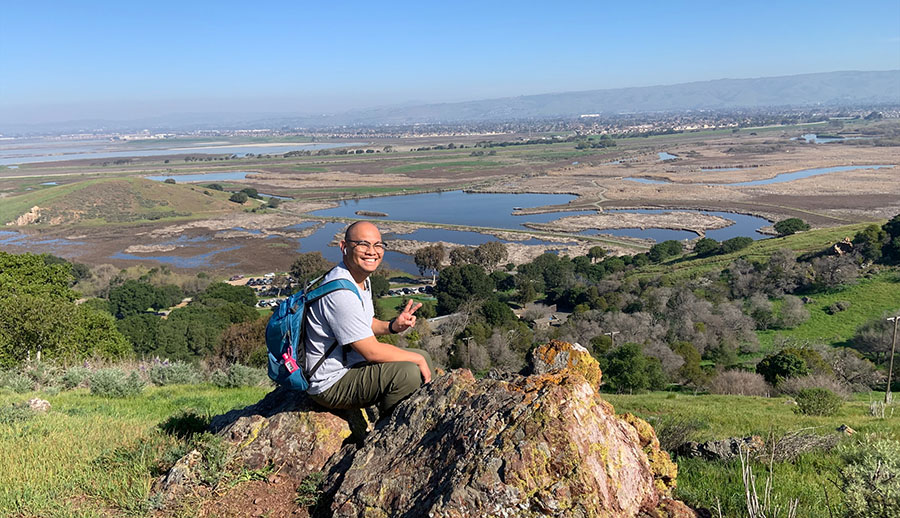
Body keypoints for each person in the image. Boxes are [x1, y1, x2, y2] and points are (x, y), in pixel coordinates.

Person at [304, 221, 434, 416]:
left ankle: (423, 413)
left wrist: (392, 326)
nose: (372, 251)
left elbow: (364, 324)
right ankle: (389, 430)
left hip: (350, 365)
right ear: (344, 247)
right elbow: (371, 352)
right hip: (330, 382)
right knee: (409, 372)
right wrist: (416, 360)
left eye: (378, 245)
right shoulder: (341, 293)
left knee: (422, 356)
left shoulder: (359, 279)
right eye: (363, 244)